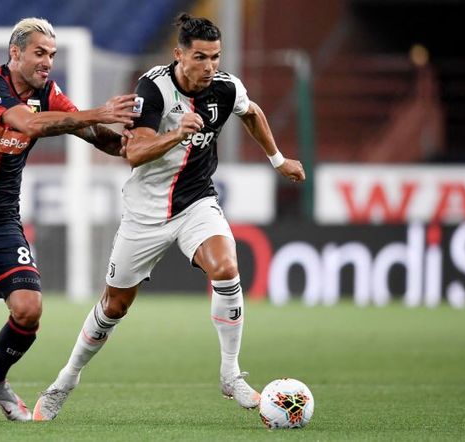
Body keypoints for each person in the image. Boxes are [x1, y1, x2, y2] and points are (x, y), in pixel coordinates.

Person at [33, 13, 306, 421]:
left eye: (215, 57)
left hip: (196, 203)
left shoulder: (226, 88)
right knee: (114, 306)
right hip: (144, 214)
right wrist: (177, 133)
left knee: (227, 268)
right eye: (200, 57)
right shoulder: (154, 88)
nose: (209, 66)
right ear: (179, 54)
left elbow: (252, 113)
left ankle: (231, 374)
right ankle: (65, 381)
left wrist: (278, 159)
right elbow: (133, 153)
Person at [0, 17, 138, 424]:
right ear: (15, 53)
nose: (47, 62)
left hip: (0, 223)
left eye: (52, 55)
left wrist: (132, 147)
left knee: (29, 309)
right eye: (39, 53)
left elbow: (92, 135)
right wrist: (98, 111)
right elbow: (29, 124)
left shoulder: (48, 94)